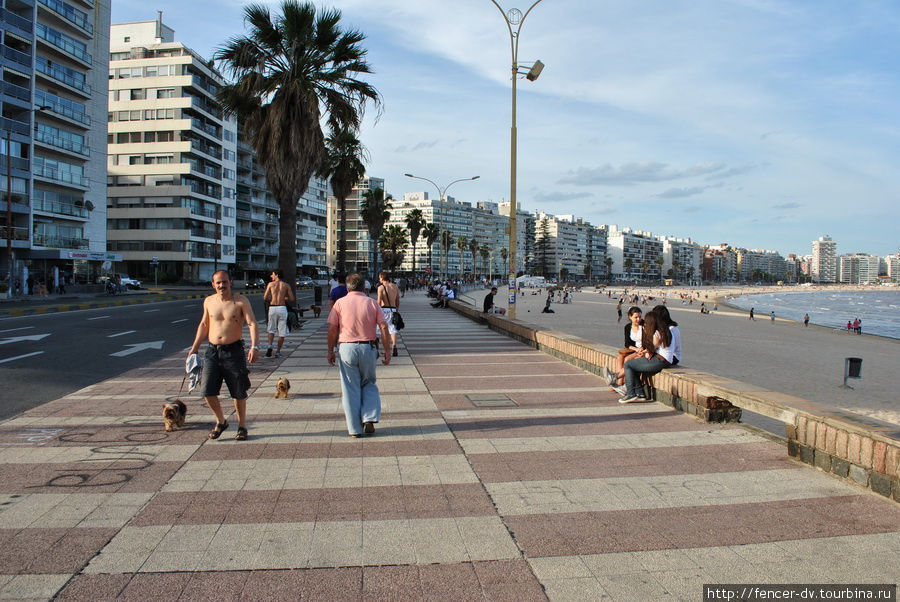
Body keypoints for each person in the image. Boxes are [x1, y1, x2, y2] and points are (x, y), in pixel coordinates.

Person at [188, 270, 260, 441]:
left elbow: (252, 323)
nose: (221, 285)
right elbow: (204, 324)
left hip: (234, 351)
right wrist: (194, 348)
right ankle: (221, 420)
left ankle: (242, 426)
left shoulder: (240, 301)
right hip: (212, 351)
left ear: (231, 282)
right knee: (207, 390)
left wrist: (255, 346)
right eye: (218, 283)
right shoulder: (209, 301)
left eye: (224, 282)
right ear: (213, 284)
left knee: (238, 391)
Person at [327, 273, 392, 437]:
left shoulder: (339, 303)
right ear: (364, 287)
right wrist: (388, 350)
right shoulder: (372, 303)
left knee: (350, 389)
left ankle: (354, 429)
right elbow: (384, 327)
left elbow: (332, 329)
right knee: (369, 382)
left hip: (347, 348)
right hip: (368, 347)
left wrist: (330, 351)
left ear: (347, 287)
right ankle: (369, 417)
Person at [619, 312, 673, 404]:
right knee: (634, 366)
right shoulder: (665, 330)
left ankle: (630, 393)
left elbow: (652, 348)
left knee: (628, 364)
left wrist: (645, 350)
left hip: (660, 360)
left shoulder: (657, 333)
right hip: (664, 360)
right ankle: (640, 394)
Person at [605, 306, 642, 394]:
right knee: (620, 357)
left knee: (627, 360)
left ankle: (619, 380)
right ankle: (619, 382)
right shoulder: (628, 327)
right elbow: (627, 344)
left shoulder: (643, 326)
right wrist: (635, 349)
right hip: (634, 349)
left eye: (640, 317)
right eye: (636, 317)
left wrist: (639, 350)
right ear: (630, 317)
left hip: (642, 350)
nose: (638, 319)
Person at [263, 269, 294, 358]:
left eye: (272, 274)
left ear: (276, 275)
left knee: (271, 329)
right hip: (282, 308)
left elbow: (265, 297)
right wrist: (284, 298)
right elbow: (291, 298)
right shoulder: (286, 285)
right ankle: (278, 351)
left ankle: (269, 347)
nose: (271, 276)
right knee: (282, 331)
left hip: (272, 308)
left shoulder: (270, 284)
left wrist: (271, 298)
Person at [377, 271, 401, 357]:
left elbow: (379, 301)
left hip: (384, 309)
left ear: (382, 278)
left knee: (383, 330)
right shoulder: (395, 286)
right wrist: (396, 309)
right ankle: (394, 347)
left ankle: (385, 349)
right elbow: (398, 300)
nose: (379, 279)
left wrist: (376, 311)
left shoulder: (381, 287)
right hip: (393, 309)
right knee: (393, 329)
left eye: (379, 277)